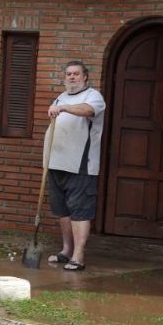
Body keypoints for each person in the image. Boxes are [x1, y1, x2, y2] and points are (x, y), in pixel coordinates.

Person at [45, 60, 106, 271]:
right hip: (56, 162)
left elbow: (88, 110)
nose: (72, 77)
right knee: (63, 210)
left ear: (85, 76)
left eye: (76, 74)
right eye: (69, 74)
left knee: (80, 210)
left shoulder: (93, 96)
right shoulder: (61, 96)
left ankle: (78, 257)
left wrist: (62, 108)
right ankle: (66, 251)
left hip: (81, 164)